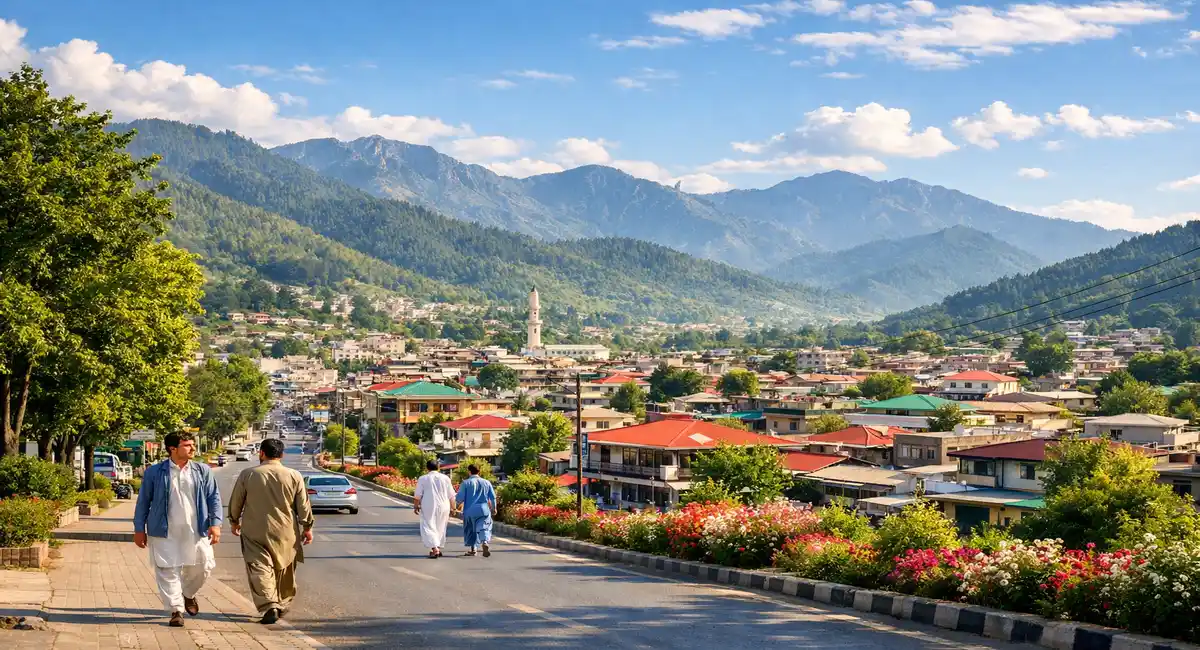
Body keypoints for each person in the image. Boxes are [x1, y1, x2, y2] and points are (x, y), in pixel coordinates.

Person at [132, 432, 222, 628]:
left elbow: (213, 498)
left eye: (192, 445)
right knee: (167, 570)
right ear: (173, 448)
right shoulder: (154, 472)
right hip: (163, 531)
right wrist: (139, 528)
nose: (192, 449)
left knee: (204, 566)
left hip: (196, 530)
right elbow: (143, 502)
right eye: (187, 445)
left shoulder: (202, 471)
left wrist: (215, 524)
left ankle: (188, 594)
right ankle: (176, 610)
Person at [229, 438, 314, 624]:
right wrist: (307, 527)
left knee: (259, 567)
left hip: (254, 529)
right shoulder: (294, 475)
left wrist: (234, 521)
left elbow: (236, 502)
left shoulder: (248, 474)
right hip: (286, 530)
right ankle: (282, 603)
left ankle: (269, 605)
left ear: (261, 453)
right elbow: (303, 506)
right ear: (282, 455)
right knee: (284, 567)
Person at [413, 460, 455, 558]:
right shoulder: (445, 478)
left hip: (429, 505)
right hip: (444, 505)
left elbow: (418, 495)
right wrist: (454, 508)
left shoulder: (423, 478)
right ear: (439, 467)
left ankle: (435, 548)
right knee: (441, 526)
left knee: (428, 526)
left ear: (427, 468)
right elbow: (452, 495)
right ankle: (437, 547)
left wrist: (416, 506)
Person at [455, 464, 496, 557]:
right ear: (479, 472)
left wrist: (455, 508)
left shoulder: (465, 483)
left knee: (471, 529)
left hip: (469, 511)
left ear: (469, 472)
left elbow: (459, 498)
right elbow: (492, 497)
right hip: (484, 509)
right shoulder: (486, 482)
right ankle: (484, 542)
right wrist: (494, 508)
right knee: (484, 527)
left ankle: (473, 549)